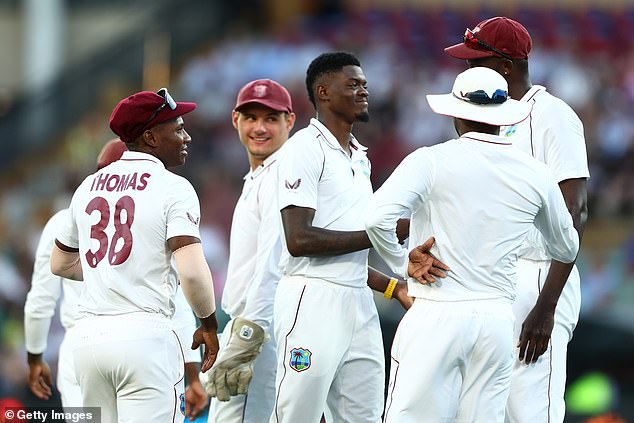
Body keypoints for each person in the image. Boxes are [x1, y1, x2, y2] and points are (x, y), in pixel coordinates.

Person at [365, 67, 580, 422]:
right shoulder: (534, 174)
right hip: (496, 320)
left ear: (455, 116)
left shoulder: (430, 161)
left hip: (438, 310)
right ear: (503, 117)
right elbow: (567, 247)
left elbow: (376, 218)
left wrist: (402, 262)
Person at [271, 51, 435, 423]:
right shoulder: (303, 149)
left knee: (364, 415)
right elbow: (300, 240)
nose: (364, 91)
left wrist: (395, 279)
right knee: (298, 414)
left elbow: (358, 242)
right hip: (312, 297)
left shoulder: (360, 156)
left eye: (364, 84)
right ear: (324, 92)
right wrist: (380, 234)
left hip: (358, 301)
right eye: (353, 84)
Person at [444, 17, 589, 423]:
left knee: (532, 409)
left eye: (476, 60)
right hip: (497, 276)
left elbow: (574, 212)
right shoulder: (488, 116)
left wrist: (546, 307)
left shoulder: (551, 115)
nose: (467, 69)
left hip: (540, 274)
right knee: (492, 409)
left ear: (505, 67)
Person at [50, 89, 219, 423]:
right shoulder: (174, 187)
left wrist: (114, 270)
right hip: (146, 338)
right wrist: (209, 323)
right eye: (178, 128)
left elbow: (61, 262)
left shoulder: (88, 186)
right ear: (150, 137)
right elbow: (193, 272)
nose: (186, 136)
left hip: (89, 342)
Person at [201, 79, 296, 422]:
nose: (259, 127)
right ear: (235, 120)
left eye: (271, 118)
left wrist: (246, 338)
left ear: (290, 122)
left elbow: (273, 265)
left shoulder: (280, 177)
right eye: (251, 117)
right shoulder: (258, 176)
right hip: (250, 326)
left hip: (259, 331)